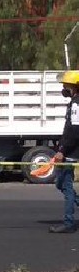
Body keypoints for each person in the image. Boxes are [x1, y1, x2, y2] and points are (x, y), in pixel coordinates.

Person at [50, 70, 79, 234]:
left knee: (65, 185)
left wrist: (62, 150)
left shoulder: (76, 104)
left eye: (66, 85)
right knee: (60, 183)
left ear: (75, 87)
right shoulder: (75, 102)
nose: (64, 88)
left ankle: (68, 223)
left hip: (71, 152)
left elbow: (74, 130)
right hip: (70, 150)